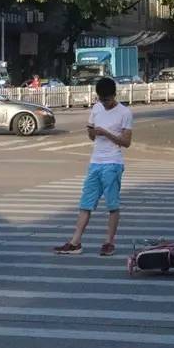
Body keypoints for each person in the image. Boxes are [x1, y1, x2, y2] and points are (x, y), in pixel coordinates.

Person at [53, 77, 132, 256]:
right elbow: (91, 136)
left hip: (113, 163)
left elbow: (126, 142)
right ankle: (75, 242)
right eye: (101, 99)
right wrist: (92, 131)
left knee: (112, 205)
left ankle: (109, 242)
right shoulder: (96, 108)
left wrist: (105, 132)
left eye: (107, 100)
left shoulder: (125, 113)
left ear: (114, 95)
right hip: (95, 162)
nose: (104, 103)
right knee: (86, 203)